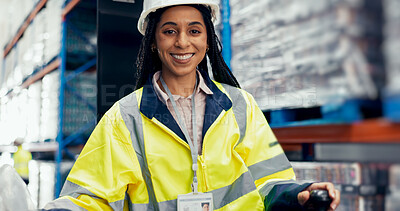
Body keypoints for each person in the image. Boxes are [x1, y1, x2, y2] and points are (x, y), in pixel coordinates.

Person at [45, 0, 340, 210]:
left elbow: (269, 180)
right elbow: (91, 196)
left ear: (208, 40)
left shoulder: (239, 106)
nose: (182, 42)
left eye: (194, 31)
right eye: (170, 31)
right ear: (152, 41)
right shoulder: (125, 118)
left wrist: (299, 193)